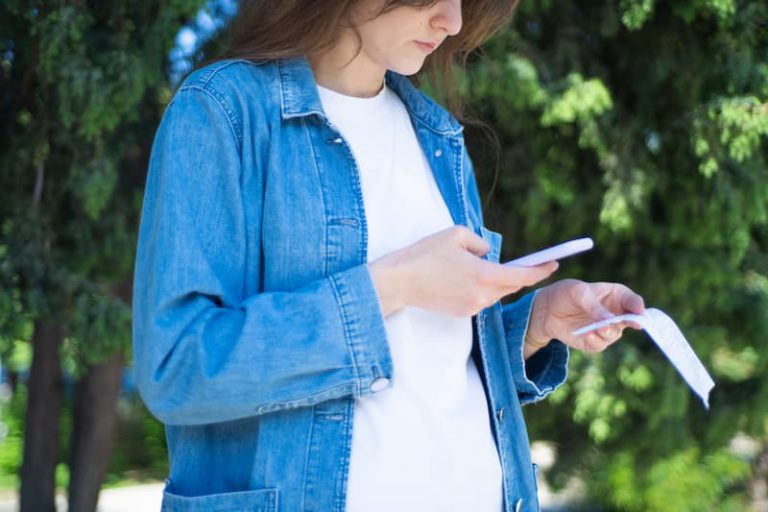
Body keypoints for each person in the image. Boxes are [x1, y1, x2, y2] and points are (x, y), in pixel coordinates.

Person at [132, 1, 646, 511]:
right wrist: (393, 285)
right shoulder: (225, 112)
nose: (454, 22)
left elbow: (429, 359)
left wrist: (535, 325)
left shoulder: (439, 137)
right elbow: (177, 366)